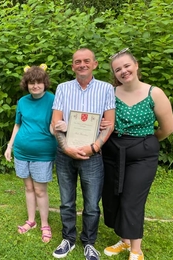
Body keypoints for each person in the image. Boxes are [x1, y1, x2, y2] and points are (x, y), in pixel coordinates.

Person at [101, 48, 173, 260]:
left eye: (126, 66)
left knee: (132, 200)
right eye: (118, 69)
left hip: (142, 155)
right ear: (114, 74)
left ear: (136, 65)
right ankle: (124, 242)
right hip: (112, 153)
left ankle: (136, 250)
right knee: (114, 196)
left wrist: (145, 142)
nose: (123, 71)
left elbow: (167, 128)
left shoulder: (154, 93)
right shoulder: (111, 93)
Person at [51, 48, 116, 260]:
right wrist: (66, 148)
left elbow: (109, 124)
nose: (82, 65)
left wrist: (94, 147)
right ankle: (68, 239)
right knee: (66, 201)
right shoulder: (62, 88)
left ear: (95, 64)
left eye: (86, 61)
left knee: (91, 205)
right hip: (65, 154)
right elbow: (55, 122)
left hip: (93, 155)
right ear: (72, 66)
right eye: (77, 62)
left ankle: (89, 242)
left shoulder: (106, 89)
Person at [4, 64, 57, 243]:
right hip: (21, 151)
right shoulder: (22, 102)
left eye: (39, 82)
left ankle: (44, 224)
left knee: (40, 190)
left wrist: (56, 129)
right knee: (28, 188)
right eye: (31, 82)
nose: (35, 86)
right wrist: (10, 146)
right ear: (26, 84)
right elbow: (17, 125)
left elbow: (54, 126)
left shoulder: (53, 100)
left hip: (43, 153)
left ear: (45, 83)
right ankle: (31, 221)